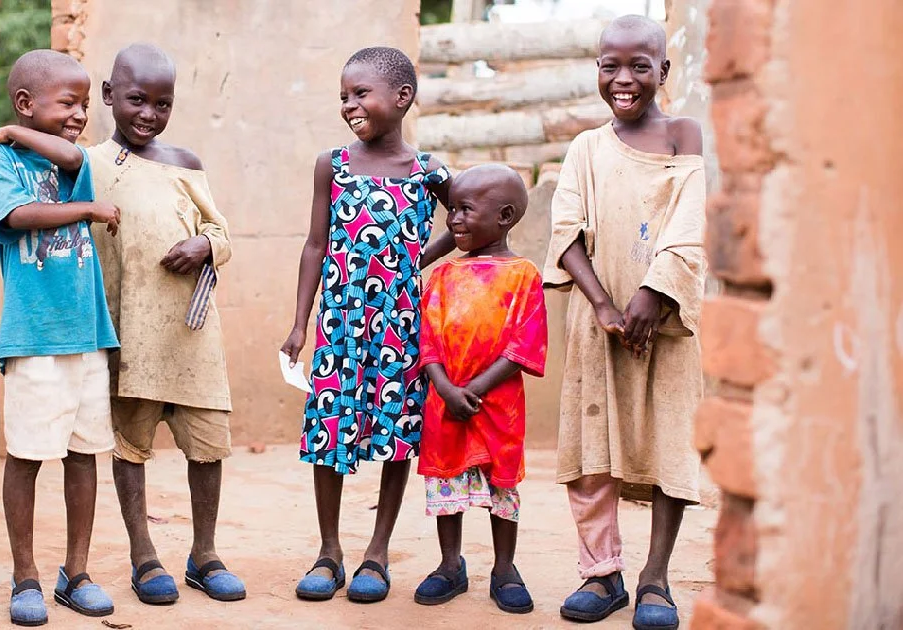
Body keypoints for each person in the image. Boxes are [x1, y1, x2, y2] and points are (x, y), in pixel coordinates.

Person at [542, 15, 707, 630]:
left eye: (640, 65)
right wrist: (606, 304)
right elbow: (566, 232)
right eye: (610, 65)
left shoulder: (683, 134)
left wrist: (653, 291)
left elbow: (689, 222)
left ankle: (655, 578)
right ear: (597, 70)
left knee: (670, 440)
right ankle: (601, 573)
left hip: (666, 323)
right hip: (598, 324)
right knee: (591, 453)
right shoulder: (586, 147)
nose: (624, 78)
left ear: (663, 71)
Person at [281, 46, 455, 604]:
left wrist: (416, 260)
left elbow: (468, 216)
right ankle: (329, 551)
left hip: (402, 328)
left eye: (361, 93)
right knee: (327, 429)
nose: (349, 105)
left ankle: (377, 553)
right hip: (340, 325)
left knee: (399, 434)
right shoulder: (332, 165)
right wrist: (299, 322)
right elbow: (314, 245)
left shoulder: (428, 172)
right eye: (343, 96)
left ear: (402, 98)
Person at [86, 43, 246, 605]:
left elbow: (222, 233)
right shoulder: (88, 167)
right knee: (131, 445)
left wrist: (204, 244)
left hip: (192, 333)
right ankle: (143, 555)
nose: (148, 114)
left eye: (162, 103)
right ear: (109, 96)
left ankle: (204, 554)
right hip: (130, 334)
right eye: (136, 100)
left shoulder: (185, 164)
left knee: (208, 445)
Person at [0, 49, 123, 625]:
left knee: (85, 455)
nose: (79, 114)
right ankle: (26, 577)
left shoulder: (72, 160)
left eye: (85, 104)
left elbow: (70, 154)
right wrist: (87, 209)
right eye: (68, 103)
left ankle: (76, 572)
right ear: (25, 102)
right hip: (34, 336)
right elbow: (15, 217)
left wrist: (18, 129)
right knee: (28, 456)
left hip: (86, 333)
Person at [411, 165, 547, 615]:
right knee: (446, 481)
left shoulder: (524, 274)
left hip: (497, 405)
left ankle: (505, 569)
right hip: (446, 402)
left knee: (501, 486)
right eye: (452, 210)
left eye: (466, 210)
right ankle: (451, 564)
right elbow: (427, 339)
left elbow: (523, 345)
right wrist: (446, 388)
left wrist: (476, 388)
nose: (454, 220)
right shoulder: (445, 276)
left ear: (504, 216)